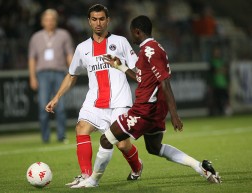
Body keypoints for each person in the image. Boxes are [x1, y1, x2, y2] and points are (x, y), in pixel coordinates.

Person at [73, 15, 221, 188]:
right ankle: (201, 167)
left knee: (106, 140)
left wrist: (175, 115)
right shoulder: (150, 49)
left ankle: (92, 181)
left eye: (132, 33)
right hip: (155, 109)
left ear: (137, 32)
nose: (131, 37)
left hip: (144, 110)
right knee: (154, 147)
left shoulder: (151, 51)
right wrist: (120, 66)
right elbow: (141, 78)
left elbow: (165, 82)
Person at [46, 4, 143, 186]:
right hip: (95, 101)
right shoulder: (82, 48)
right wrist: (56, 97)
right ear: (89, 22)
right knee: (81, 127)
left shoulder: (120, 42)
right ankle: (86, 176)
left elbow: (136, 68)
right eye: (94, 19)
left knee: (122, 144)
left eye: (101, 19)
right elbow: (72, 74)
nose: (98, 23)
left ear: (108, 20)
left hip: (119, 101)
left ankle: (137, 167)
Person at [28, 9, 74, 143]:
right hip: (42, 74)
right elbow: (32, 58)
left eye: (52, 19)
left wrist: (72, 72)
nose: (49, 22)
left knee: (61, 107)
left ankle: (61, 136)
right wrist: (32, 77)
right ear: (42, 21)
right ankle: (45, 137)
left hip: (60, 72)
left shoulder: (64, 35)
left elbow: (69, 54)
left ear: (56, 21)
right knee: (43, 106)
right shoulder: (35, 37)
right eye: (47, 19)